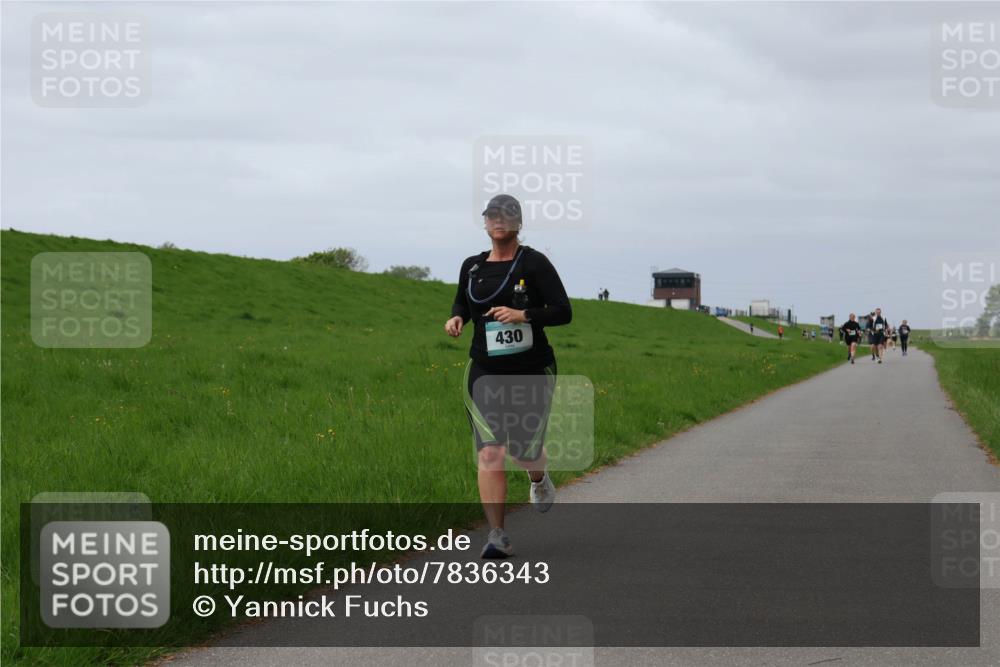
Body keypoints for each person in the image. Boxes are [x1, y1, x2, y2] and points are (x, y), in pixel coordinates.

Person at [445, 194, 572, 559]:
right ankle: (497, 534)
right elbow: (461, 301)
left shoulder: (533, 263)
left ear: (518, 223)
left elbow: (563, 312)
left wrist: (524, 315)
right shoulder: (472, 266)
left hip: (532, 368)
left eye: (507, 215)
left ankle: (538, 477)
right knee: (490, 452)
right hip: (484, 370)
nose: (499, 221)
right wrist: (457, 318)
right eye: (492, 215)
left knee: (524, 450)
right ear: (485, 223)